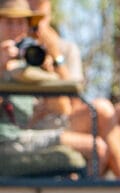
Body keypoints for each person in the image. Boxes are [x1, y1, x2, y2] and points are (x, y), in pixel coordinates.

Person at [0, 0, 108, 171]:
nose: (15, 30)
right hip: (7, 140)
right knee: (97, 147)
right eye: (9, 22)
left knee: (99, 139)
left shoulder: (31, 58)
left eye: (21, 22)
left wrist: (52, 64)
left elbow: (67, 107)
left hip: (27, 133)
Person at [27, 0, 120, 148]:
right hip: (37, 122)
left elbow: (74, 104)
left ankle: (106, 170)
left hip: (66, 118)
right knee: (101, 110)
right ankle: (119, 171)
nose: (35, 27)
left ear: (50, 16)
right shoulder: (13, 49)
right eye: (30, 19)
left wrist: (56, 59)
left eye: (40, 19)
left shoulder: (66, 49)